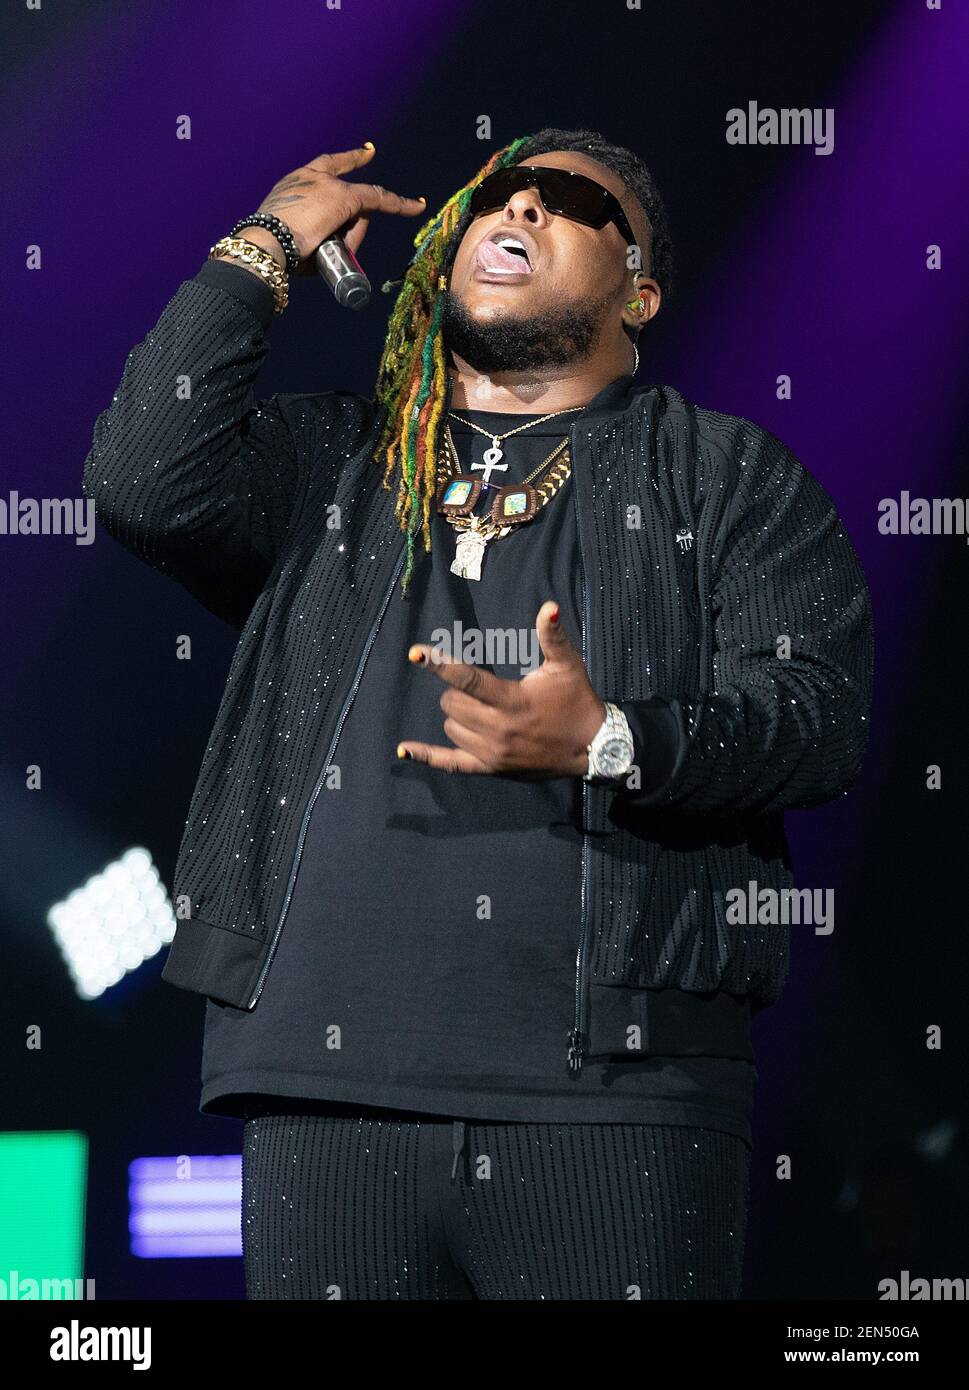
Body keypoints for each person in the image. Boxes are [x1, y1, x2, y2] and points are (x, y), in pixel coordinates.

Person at [82, 126, 873, 1300]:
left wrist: (611, 739)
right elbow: (141, 474)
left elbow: (818, 715)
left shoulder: (727, 477)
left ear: (640, 292)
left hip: (616, 1099)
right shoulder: (335, 462)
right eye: (494, 197)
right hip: (324, 1085)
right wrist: (262, 249)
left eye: (563, 200)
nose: (519, 211)